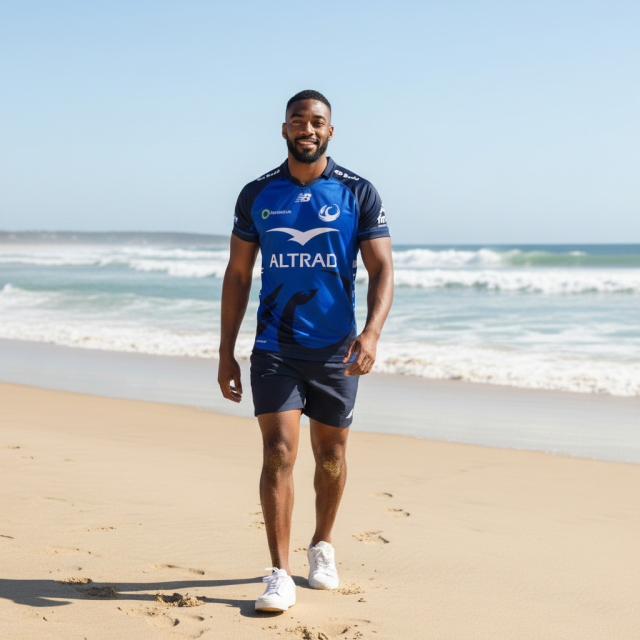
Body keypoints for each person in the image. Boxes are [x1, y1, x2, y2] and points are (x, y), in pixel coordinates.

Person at [218, 89, 394, 612]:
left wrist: (371, 334)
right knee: (278, 452)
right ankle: (279, 573)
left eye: (317, 121)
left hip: (337, 348)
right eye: (298, 120)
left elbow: (382, 268)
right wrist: (225, 350)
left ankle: (322, 545)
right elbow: (238, 274)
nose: (308, 129)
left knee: (332, 457)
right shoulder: (257, 194)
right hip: (275, 345)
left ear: (330, 131)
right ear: (284, 129)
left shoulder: (357, 192)